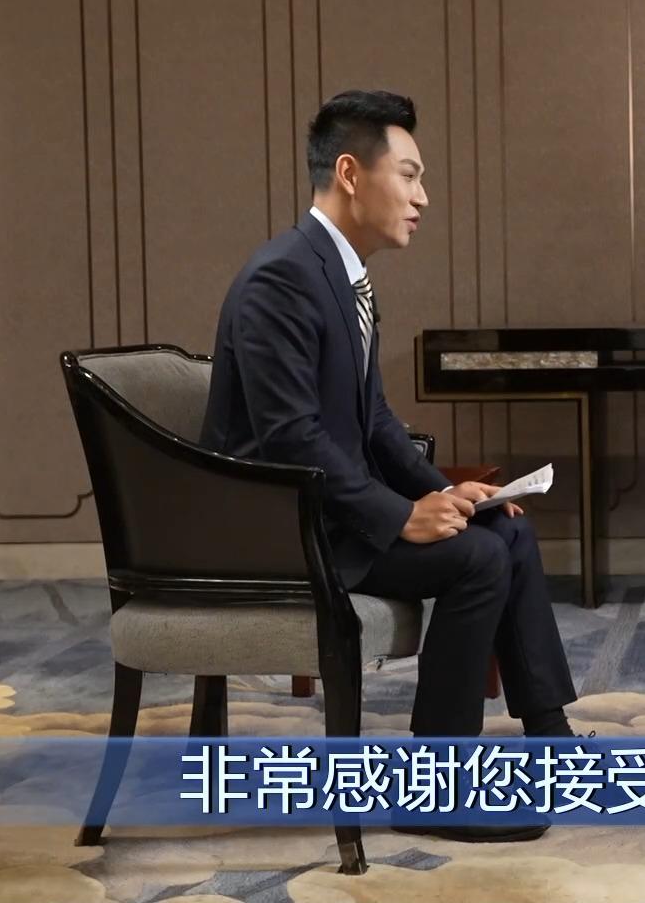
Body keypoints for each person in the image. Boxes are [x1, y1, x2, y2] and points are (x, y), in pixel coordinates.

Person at [199, 89, 578, 842]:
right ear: (350, 173)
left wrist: (450, 492)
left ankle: (552, 740)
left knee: (505, 529)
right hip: (280, 533)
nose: (422, 196)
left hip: (327, 516)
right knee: (479, 560)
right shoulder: (281, 278)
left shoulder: (343, 277)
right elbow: (291, 439)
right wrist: (400, 516)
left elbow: (373, 423)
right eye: (409, 175)